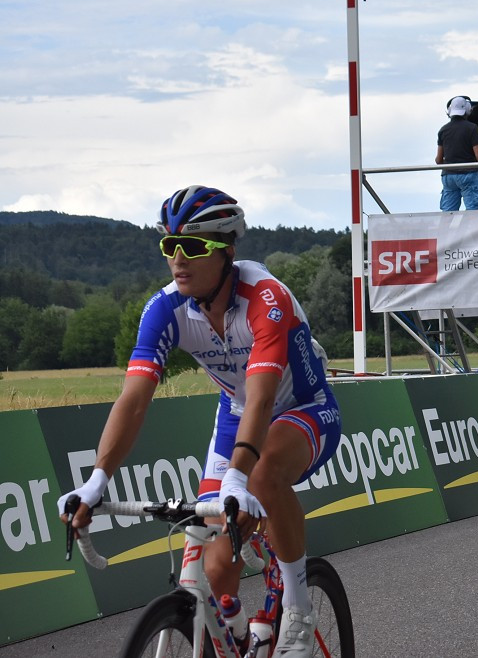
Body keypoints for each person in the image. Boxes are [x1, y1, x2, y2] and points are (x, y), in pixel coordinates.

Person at [57, 186, 342, 657]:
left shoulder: (264, 297)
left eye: (191, 247)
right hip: (236, 415)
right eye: (169, 246)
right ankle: (235, 634)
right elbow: (133, 400)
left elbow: (262, 396)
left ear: (227, 251)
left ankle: (297, 607)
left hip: (302, 408)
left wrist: (237, 474)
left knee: (265, 472)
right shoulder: (164, 309)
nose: (177, 259)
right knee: (212, 568)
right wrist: (96, 480)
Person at [436, 95, 478, 211]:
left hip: (448, 176)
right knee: (474, 211)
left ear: (450, 111)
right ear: (467, 110)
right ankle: (473, 230)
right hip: (468, 175)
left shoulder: (443, 130)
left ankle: (445, 230)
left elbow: (438, 160)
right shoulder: (472, 128)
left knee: (448, 212)